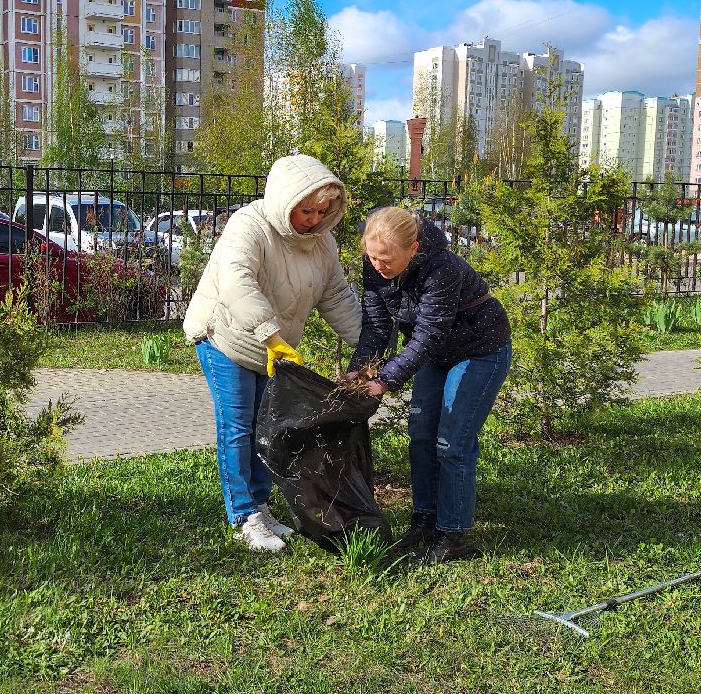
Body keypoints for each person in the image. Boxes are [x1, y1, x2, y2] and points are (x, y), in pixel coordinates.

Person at [183, 154, 362, 552]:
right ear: (286, 200)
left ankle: (261, 508)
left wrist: (368, 347)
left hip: (273, 347)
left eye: (322, 211)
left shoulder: (322, 243)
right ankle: (243, 515)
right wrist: (269, 332)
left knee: (266, 428)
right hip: (224, 337)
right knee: (238, 426)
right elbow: (236, 281)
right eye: (307, 210)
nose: (314, 219)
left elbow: (335, 296)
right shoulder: (249, 226)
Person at [348, 207, 511, 563]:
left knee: (452, 442)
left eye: (386, 260)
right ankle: (425, 520)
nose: (378, 266)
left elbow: (429, 333)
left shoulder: (442, 268)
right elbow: (376, 324)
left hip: (479, 349)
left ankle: (452, 536)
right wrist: (360, 369)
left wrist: (386, 379)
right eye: (372, 257)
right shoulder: (375, 264)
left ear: (414, 249)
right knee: (422, 435)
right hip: (436, 354)